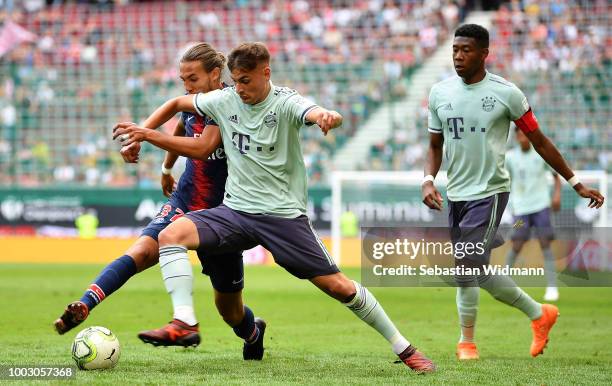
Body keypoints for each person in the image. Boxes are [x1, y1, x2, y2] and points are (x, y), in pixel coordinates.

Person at [114, 42, 435, 372]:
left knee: (337, 286)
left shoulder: (285, 102)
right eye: (235, 80)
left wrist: (326, 116)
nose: (239, 89)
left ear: (265, 73)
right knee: (172, 235)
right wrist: (143, 133)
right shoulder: (225, 99)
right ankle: (185, 322)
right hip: (235, 213)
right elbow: (178, 102)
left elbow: (310, 111)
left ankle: (405, 348)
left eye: (246, 81)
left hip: (282, 217)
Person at [421, 24, 604, 361]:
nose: (458, 56)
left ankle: (467, 344)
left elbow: (540, 141)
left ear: (484, 53)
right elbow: (435, 144)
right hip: (457, 194)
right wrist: (428, 179)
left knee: (465, 267)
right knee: (474, 268)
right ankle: (539, 314)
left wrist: (575, 182)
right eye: (455, 50)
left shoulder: (507, 93)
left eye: (466, 50)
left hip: (489, 193)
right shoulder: (439, 93)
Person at [55, 43, 243, 350]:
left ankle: (251, 332)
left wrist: (147, 135)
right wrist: (166, 166)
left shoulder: (229, 104)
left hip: (221, 213)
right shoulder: (197, 100)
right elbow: (179, 117)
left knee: (231, 311)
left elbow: (203, 148)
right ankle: (86, 303)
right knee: (142, 251)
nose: (187, 86)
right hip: (187, 198)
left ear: (214, 73)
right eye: (183, 79)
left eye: (192, 79)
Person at [505, 126, 562, 301]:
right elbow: (506, 182)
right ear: (516, 137)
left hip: (541, 207)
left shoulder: (540, 153)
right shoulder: (510, 158)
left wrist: (557, 195)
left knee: (545, 243)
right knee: (517, 243)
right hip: (520, 211)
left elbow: (556, 175)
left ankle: (552, 287)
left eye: (525, 134)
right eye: (519, 134)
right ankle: (504, 283)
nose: (522, 137)